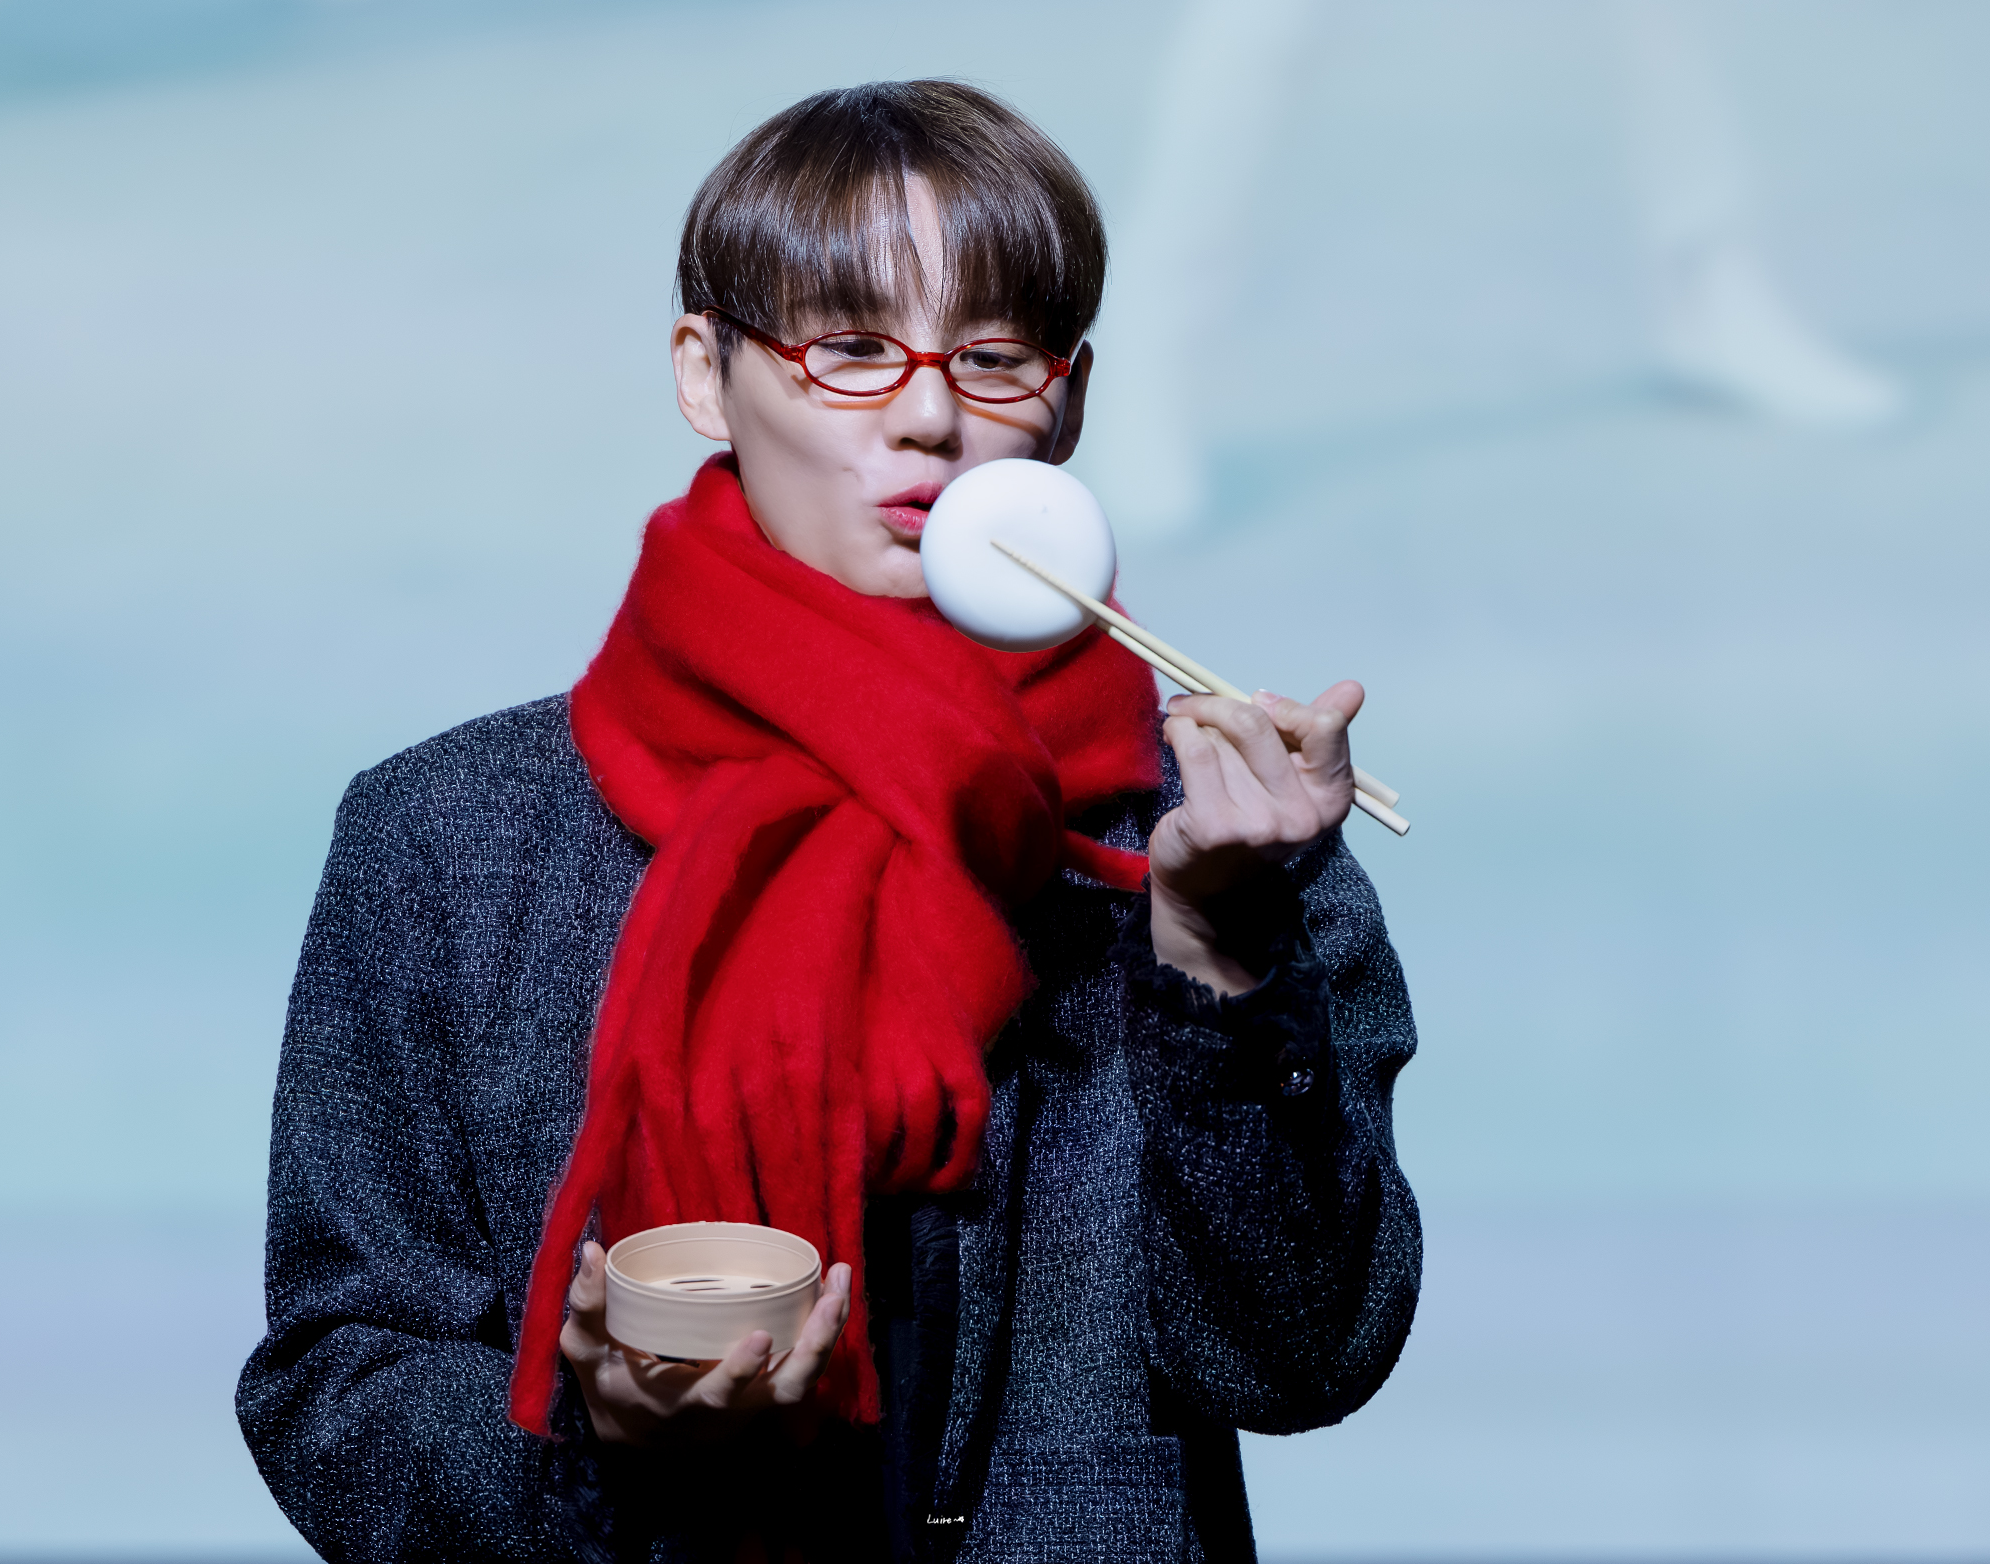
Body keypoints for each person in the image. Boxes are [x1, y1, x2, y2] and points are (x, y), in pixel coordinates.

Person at [237, 79, 1421, 1563]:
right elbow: (332, 1392)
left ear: (1069, 400)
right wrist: (599, 1440)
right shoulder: (448, 837)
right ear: (706, 374)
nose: (929, 416)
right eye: (852, 351)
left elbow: (1304, 1362)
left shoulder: (1217, 832)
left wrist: (1220, 961)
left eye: (994, 357)